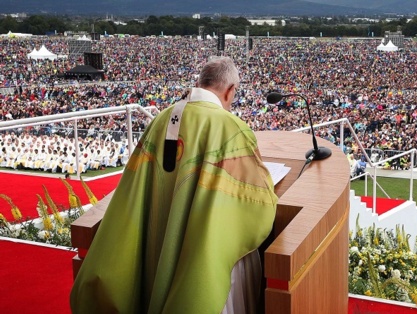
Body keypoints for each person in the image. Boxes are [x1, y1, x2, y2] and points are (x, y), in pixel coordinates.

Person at [71, 57, 278, 313]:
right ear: (230, 90)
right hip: (204, 246)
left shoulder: (162, 119)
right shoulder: (232, 128)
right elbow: (258, 198)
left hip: (157, 237)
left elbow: (136, 184)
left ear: (199, 82)